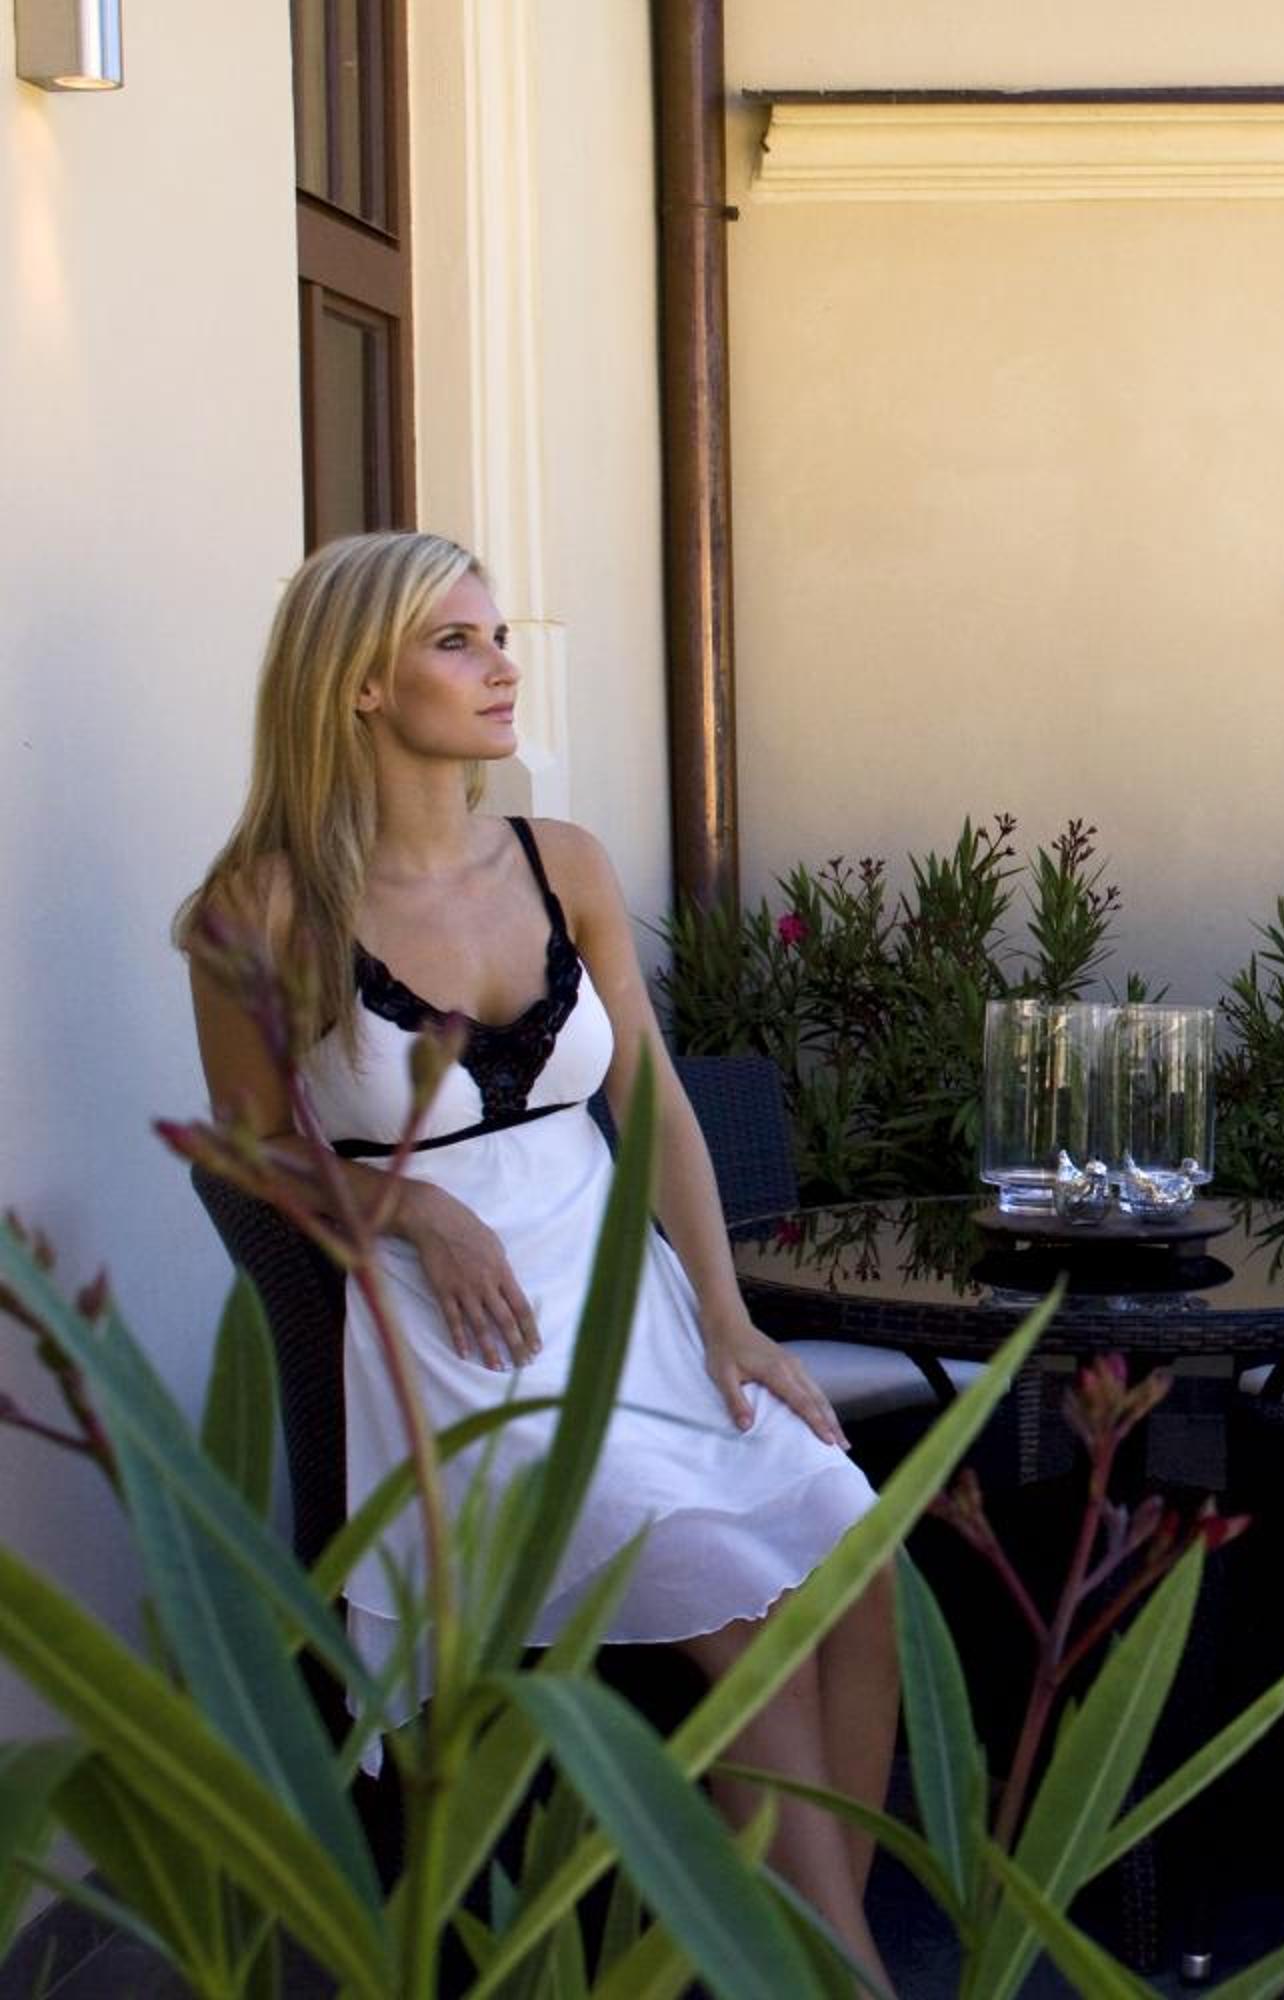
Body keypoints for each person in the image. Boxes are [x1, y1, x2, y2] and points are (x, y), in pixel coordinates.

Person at [181, 531, 899, 1990]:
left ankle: (810, 1956)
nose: (502, 666)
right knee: (741, 1596)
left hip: (630, 1316)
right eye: (457, 642)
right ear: (360, 684)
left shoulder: (560, 862)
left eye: (498, 635)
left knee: (857, 1554)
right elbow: (247, 1150)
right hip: (466, 1359)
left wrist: (728, 1318)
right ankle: (841, 1981)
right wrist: (407, 1204)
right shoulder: (262, 909)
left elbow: (653, 1100)